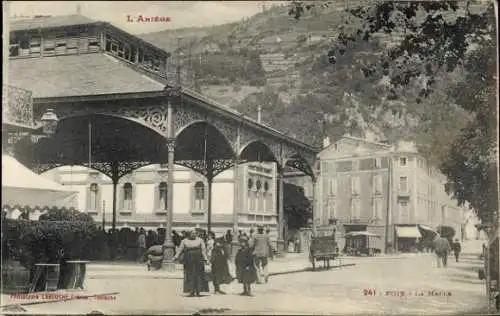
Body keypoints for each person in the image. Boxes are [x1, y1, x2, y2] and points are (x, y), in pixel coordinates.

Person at [172, 229, 209, 297]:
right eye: (192, 233)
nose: (194, 234)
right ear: (189, 234)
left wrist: (206, 259)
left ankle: (198, 291)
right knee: (189, 275)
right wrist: (175, 257)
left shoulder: (200, 240)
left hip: (198, 259)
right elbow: (180, 250)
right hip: (188, 259)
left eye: (195, 233)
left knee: (198, 275)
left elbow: (203, 251)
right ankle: (191, 291)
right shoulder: (184, 241)